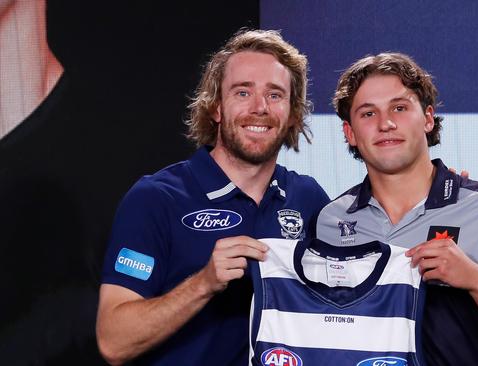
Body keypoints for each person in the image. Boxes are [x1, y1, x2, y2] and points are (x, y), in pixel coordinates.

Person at [95, 29, 329, 365]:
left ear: (292, 113)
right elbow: (113, 342)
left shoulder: (309, 199)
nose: (260, 107)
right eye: (243, 92)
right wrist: (203, 283)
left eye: (275, 95)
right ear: (216, 107)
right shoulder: (157, 198)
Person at [314, 53, 478, 366]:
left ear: (428, 118)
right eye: (368, 114)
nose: (386, 124)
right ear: (350, 133)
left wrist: (477, 280)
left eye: (399, 108)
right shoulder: (330, 220)